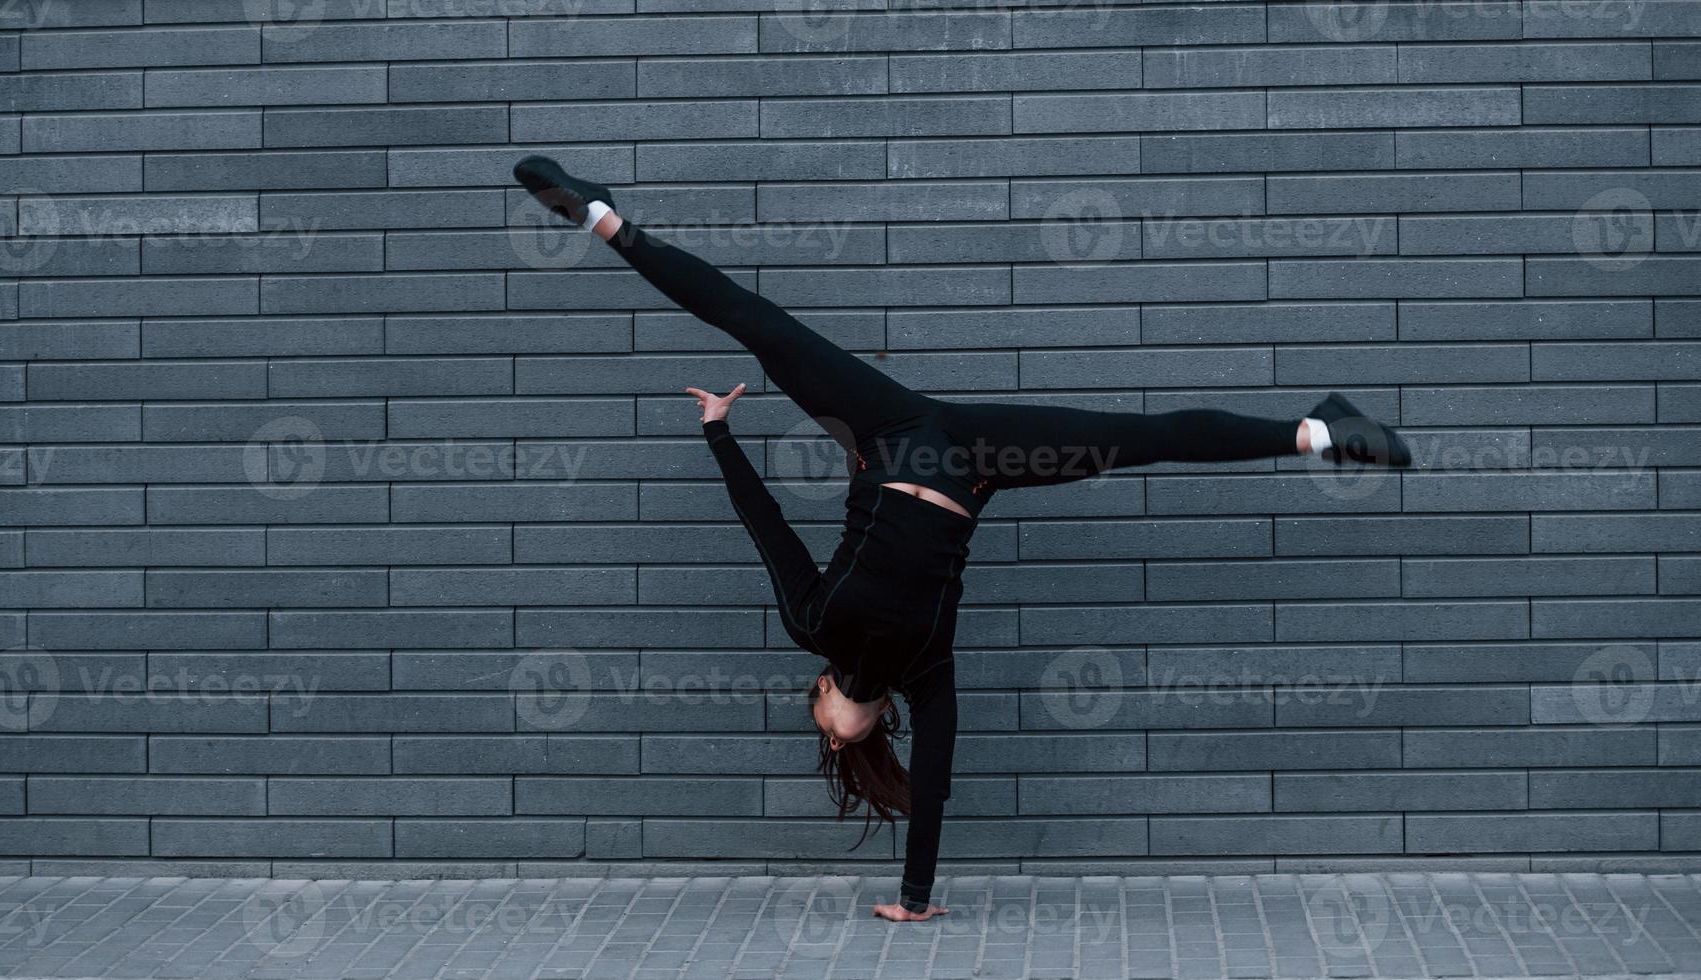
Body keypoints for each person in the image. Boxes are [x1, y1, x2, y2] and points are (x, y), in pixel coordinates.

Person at [513, 155, 1412, 922]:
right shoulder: (926, 676)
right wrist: (913, 898)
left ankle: (596, 215)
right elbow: (932, 784)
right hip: (973, 464)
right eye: (822, 721)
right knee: (1137, 444)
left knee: (756, 325)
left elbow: (767, 525)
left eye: (816, 711)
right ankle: (1321, 432)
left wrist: (717, 430)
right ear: (844, 733)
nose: (819, 711)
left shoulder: (811, 626)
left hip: (887, 434)